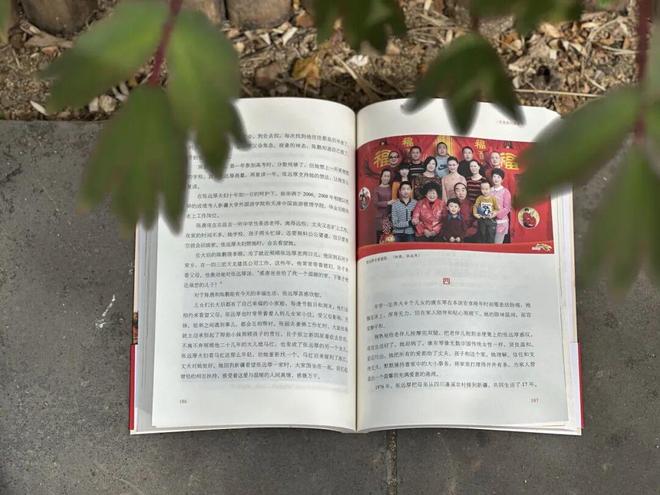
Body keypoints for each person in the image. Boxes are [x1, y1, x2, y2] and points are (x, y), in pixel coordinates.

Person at [490, 168, 512, 244]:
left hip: (501, 223)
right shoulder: (489, 190)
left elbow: (507, 208)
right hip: (489, 222)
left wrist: (496, 214)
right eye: (494, 176)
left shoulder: (505, 191)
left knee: (497, 244)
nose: (496, 179)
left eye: (498, 177)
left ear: (502, 180)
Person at [374, 168, 395, 242]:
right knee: (380, 239)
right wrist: (388, 203)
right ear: (381, 177)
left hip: (390, 217)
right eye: (385, 176)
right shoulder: (377, 189)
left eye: (388, 176)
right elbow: (375, 203)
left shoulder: (392, 187)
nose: (386, 178)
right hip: (380, 218)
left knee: (389, 239)